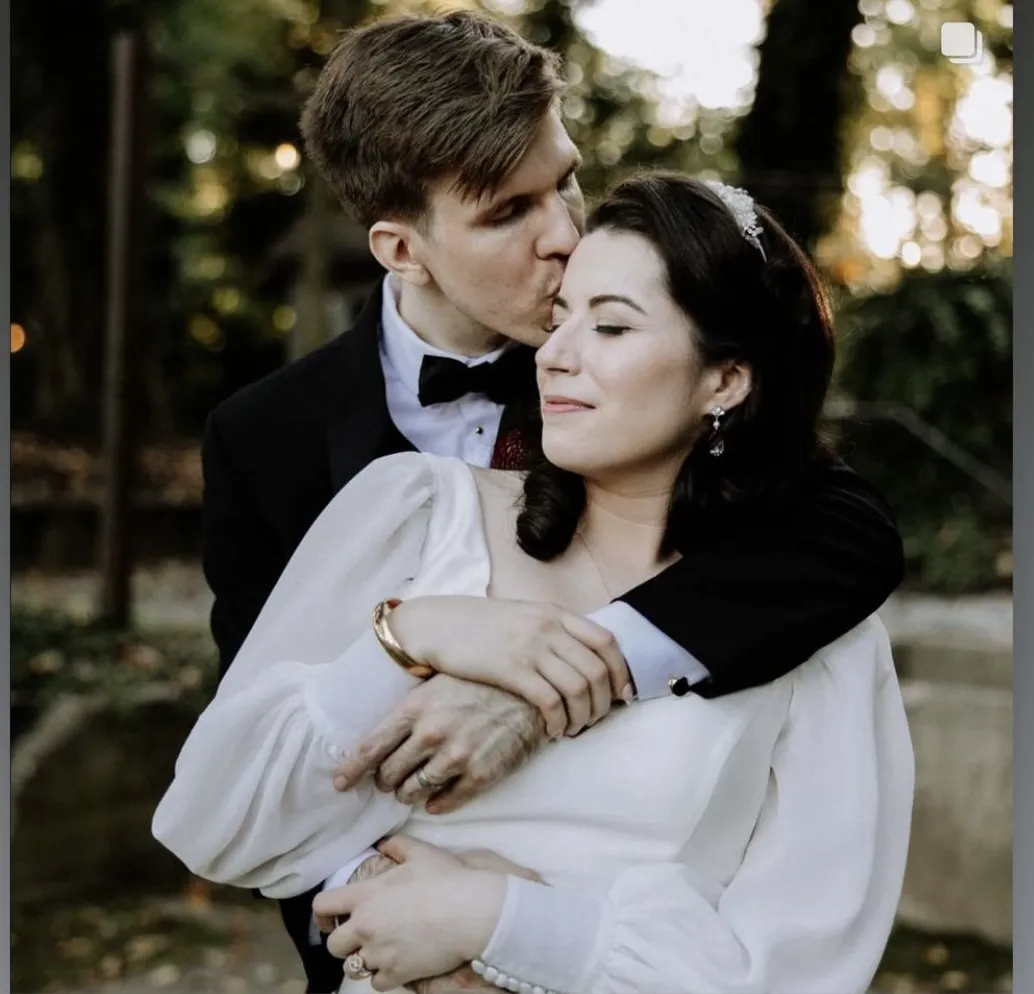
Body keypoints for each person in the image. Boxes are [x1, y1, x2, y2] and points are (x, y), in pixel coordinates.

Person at [196, 10, 904, 992]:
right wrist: (384, 920)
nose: (566, 235)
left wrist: (552, 674)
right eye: (506, 213)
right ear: (401, 249)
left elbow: (845, 533)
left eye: (563, 179)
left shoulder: (637, 363)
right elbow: (257, 748)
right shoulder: (262, 440)